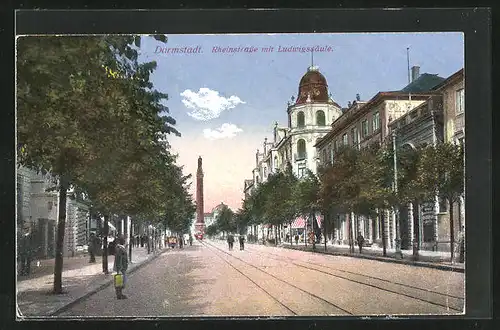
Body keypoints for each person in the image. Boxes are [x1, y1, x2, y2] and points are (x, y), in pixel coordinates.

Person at [113, 235, 129, 299]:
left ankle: (119, 294)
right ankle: (119, 295)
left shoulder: (120, 248)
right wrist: (119, 268)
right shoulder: (120, 249)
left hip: (121, 267)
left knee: (120, 281)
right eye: (124, 240)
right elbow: (119, 259)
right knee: (121, 281)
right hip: (121, 268)